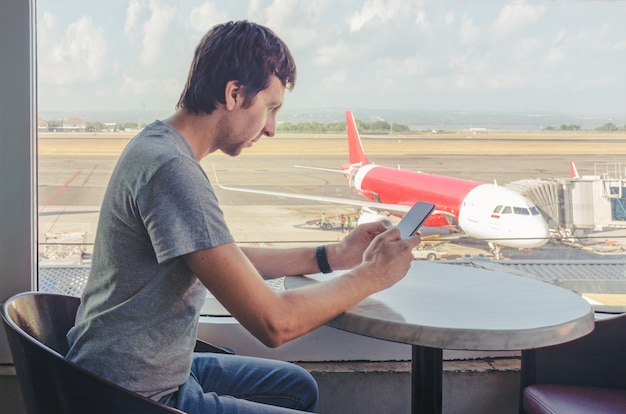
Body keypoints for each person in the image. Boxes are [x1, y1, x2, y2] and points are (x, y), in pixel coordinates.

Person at [66, 20, 420, 414]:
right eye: (270, 108)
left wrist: (334, 255)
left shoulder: (158, 145)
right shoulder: (172, 170)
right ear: (234, 94)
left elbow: (222, 260)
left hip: (128, 369)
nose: (271, 128)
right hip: (131, 394)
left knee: (296, 386)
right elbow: (275, 323)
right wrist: (373, 274)